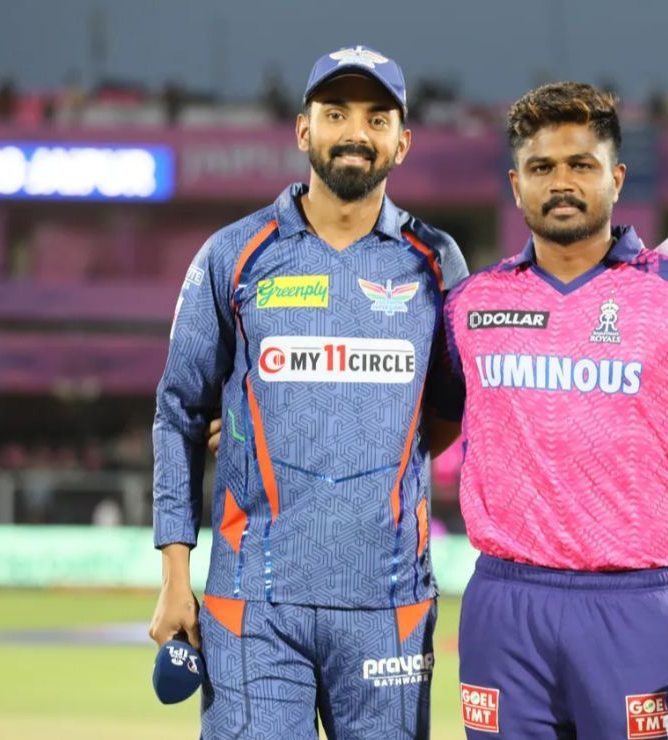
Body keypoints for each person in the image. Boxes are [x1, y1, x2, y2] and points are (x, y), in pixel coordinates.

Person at [436, 82, 668, 738]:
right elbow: (415, 435)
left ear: (616, 178)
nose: (561, 182)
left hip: (631, 608)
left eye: (581, 165)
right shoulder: (471, 305)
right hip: (502, 606)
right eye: (542, 167)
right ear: (516, 186)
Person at [148, 44, 467, 740]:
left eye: (377, 117)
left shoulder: (438, 263)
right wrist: (176, 573)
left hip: (389, 607)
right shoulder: (233, 254)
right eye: (335, 113)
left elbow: (446, 412)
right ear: (303, 131)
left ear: (402, 142)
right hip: (252, 606)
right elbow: (177, 416)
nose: (356, 131)